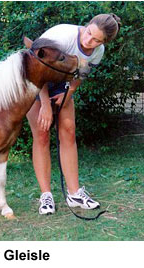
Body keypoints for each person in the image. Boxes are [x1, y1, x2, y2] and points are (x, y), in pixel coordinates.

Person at [26, 14, 121, 215]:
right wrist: (44, 104)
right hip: (35, 82)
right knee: (42, 135)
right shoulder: (62, 36)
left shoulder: (97, 52)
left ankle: (74, 194)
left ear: (104, 43)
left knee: (68, 132)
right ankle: (46, 196)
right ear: (86, 26)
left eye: (97, 40)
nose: (89, 41)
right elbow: (35, 66)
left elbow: (81, 74)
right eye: (89, 33)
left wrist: (68, 94)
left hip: (63, 85)